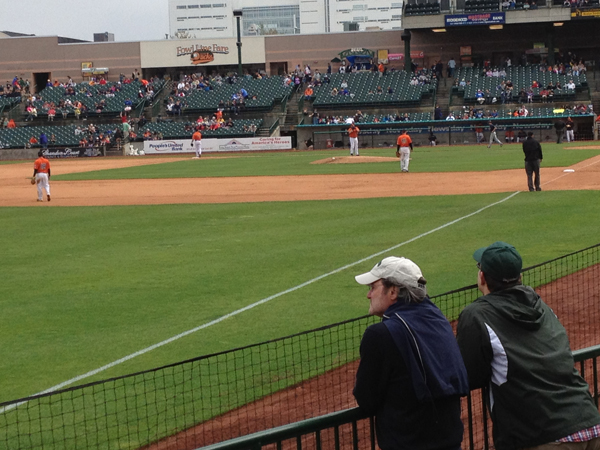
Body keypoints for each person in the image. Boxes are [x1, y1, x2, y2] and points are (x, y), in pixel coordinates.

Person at [457, 242, 600, 450]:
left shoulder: (476, 315)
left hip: (544, 437)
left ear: (482, 278)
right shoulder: (541, 305)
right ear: (520, 277)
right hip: (590, 423)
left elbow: (468, 375)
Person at [353, 256, 468, 450]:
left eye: (373, 287)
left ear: (393, 291)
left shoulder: (380, 335)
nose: (368, 295)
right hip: (450, 442)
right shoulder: (439, 321)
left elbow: (366, 399)